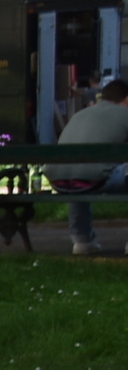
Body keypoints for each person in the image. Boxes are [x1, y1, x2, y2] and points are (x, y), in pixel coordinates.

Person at [51, 78, 128, 256]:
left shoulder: (81, 114)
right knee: (88, 173)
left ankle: (82, 240)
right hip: (93, 179)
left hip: (60, 180)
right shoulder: (124, 114)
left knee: (79, 174)